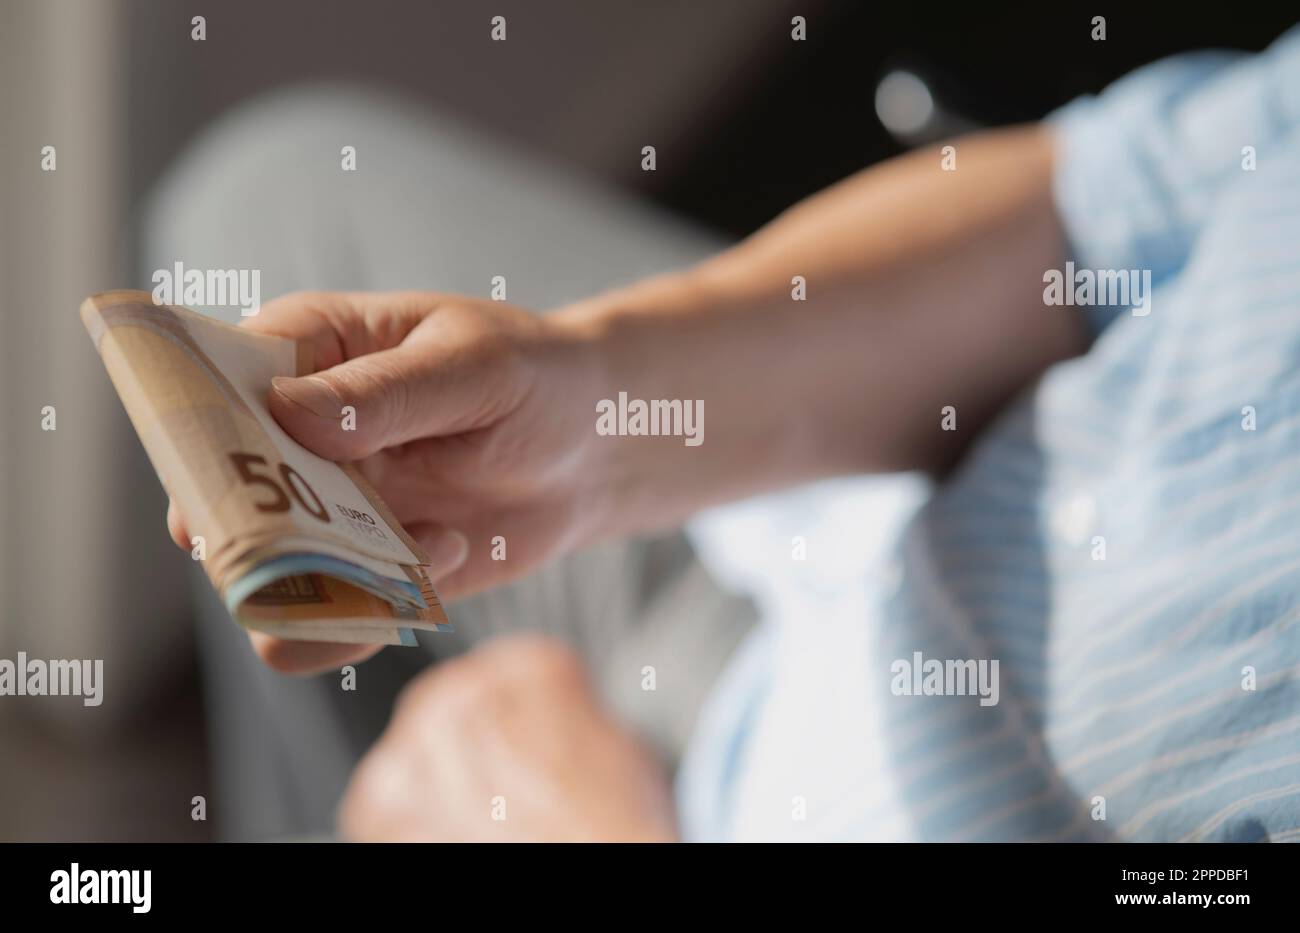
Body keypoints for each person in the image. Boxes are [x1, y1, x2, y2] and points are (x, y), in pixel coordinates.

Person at [160, 26, 1300, 841]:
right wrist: (595, 409)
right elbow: (1099, 212)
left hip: (698, 806)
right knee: (266, 204)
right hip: (846, 556)